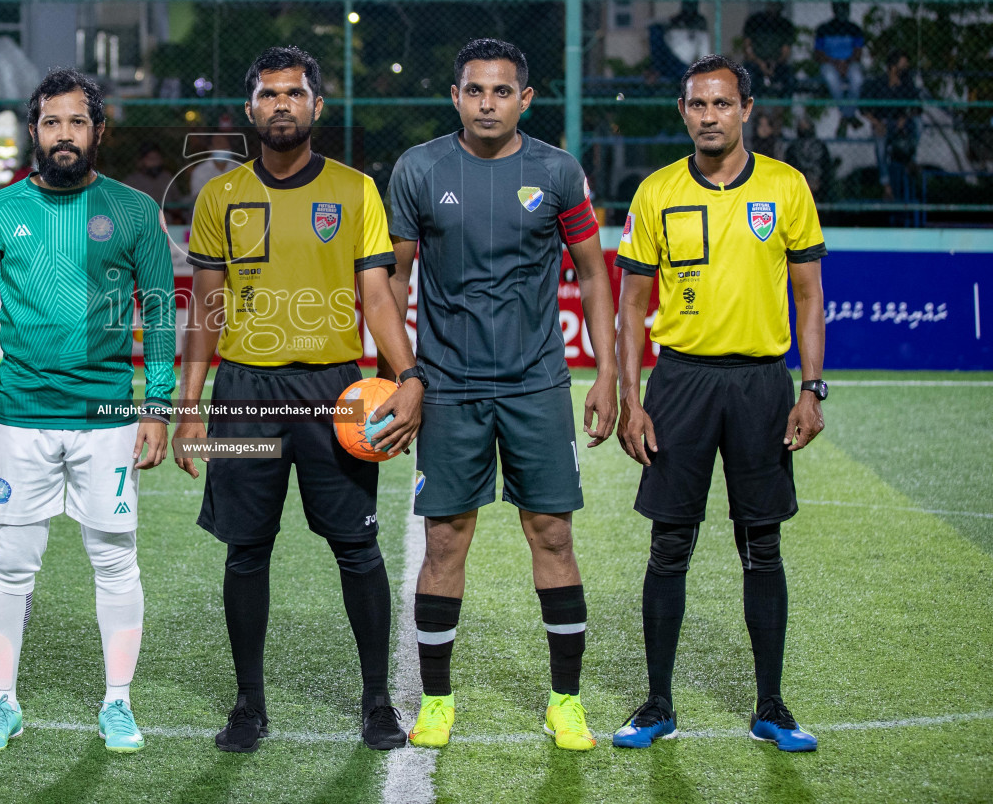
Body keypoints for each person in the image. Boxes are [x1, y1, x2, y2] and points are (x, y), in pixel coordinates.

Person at [172, 45, 425, 753]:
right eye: (267, 94)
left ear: (318, 105)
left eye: (294, 93)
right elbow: (207, 306)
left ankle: (376, 702)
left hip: (332, 393)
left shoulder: (354, 190)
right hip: (244, 394)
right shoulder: (219, 194)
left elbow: (377, 294)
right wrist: (189, 404)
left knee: (356, 547)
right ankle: (249, 705)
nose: (280, 104)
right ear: (250, 109)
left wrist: (410, 375)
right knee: (247, 550)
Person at [386, 38, 618, 752]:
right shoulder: (419, 169)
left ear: (526, 98)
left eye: (501, 91)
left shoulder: (556, 170)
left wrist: (607, 373)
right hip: (449, 386)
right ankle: (436, 701)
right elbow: (394, 279)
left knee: (552, 534)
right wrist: (404, 375)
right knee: (446, 539)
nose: (488, 103)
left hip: (537, 382)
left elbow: (591, 272)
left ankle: (565, 701)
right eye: (475, 90)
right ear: (455, 96)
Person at [0, 69, 176, 753]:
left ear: (99, 131)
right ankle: (2, 703)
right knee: (11, 562)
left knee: (115, 561)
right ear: (34, 130)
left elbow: (161, 312)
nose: (65, 135)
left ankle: (117, 703)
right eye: (52, 122)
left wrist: (159, 405)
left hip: (108, 419)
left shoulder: (135, 212)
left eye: (78, 122)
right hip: (21, 416)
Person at [612, 54, 827, 753]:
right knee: (669, 542)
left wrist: (812, 387)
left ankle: (772, 705)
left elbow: (808, 295)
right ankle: (657, 704)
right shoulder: (655, 192)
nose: (710, 116)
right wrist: (632, 398)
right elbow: (631, 302)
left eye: (722, 104)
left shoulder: (787, 188)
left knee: (761, 544)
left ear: (746, 110)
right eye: (698, 105)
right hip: (679, 383)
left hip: (763, 383)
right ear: (683, 113)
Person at [860, 49, 920, 202]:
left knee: (918, 124)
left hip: (901, 123)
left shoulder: (907, 83)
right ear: (892, 66)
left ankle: (910, 160)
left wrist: (904, 118)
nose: (905, 67)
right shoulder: (878, 83)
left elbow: (916, 107)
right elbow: (863, 109)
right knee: (880, 146)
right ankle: (887, 187)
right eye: (902, 64)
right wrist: (876, 123)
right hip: (883, 123)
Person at [813, 1, 866, 125]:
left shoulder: (855, 29)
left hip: (850, 63)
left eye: (845, 9)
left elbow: (858, 52)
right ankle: (848, 114)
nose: (843, 12)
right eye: (840, 9)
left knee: (857, 78)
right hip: (829, 64)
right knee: (831, 78)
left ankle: (846, 114)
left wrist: (846, 63)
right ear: (834, 11)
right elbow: (818, 53)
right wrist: (835, 63)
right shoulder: (823, 29)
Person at [742, 0, 797, 99]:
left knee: (789, 79)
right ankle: (760, 114)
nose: (774, 6)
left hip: (776, 64)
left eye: (777, 4)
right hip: (755, 63)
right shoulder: (754, 21)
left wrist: (774, 64)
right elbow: (747, 47)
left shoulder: (785, 24)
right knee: (749, 78)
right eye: (771, 3)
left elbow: (785, 52)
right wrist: (760, 63)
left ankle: (779, 114)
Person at [121, 142, 180, 220]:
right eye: (150, 159)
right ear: (141, 161)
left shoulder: (166, 177)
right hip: (142, 223)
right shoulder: (131, 181)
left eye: (157, 158)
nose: (154, 163)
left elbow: (178, 203)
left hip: (167, 224)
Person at [784, 116, 833, 201]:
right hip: (799, 183)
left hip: (819, 185)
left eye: (806, 125)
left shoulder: (820, 146)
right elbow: (790, 166)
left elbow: (826, 167)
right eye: (801, 126)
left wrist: (818, 181)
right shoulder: (793, 147)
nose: (804, 127)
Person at [664, 0, 712, 69]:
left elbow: (704, 48)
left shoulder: (699, 22)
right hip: (671, 60)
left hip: (687, 62)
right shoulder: (675, 21)